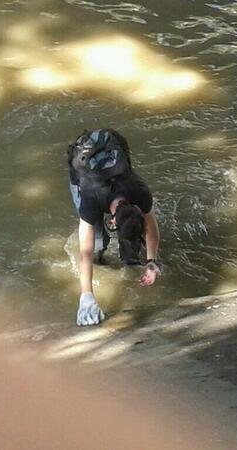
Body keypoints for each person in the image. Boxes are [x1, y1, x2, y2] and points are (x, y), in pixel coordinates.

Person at [67, 129, 161, 326]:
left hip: (113, 147)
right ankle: (101, 261)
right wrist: (86, 295)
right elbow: (85, 250)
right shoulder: (91, 199)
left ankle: (130, 259)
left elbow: (151, 225)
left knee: (131, 253)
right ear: (113, 223)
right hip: (82, 168)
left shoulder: (140, 192)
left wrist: (152, 261)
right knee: (98, 244)